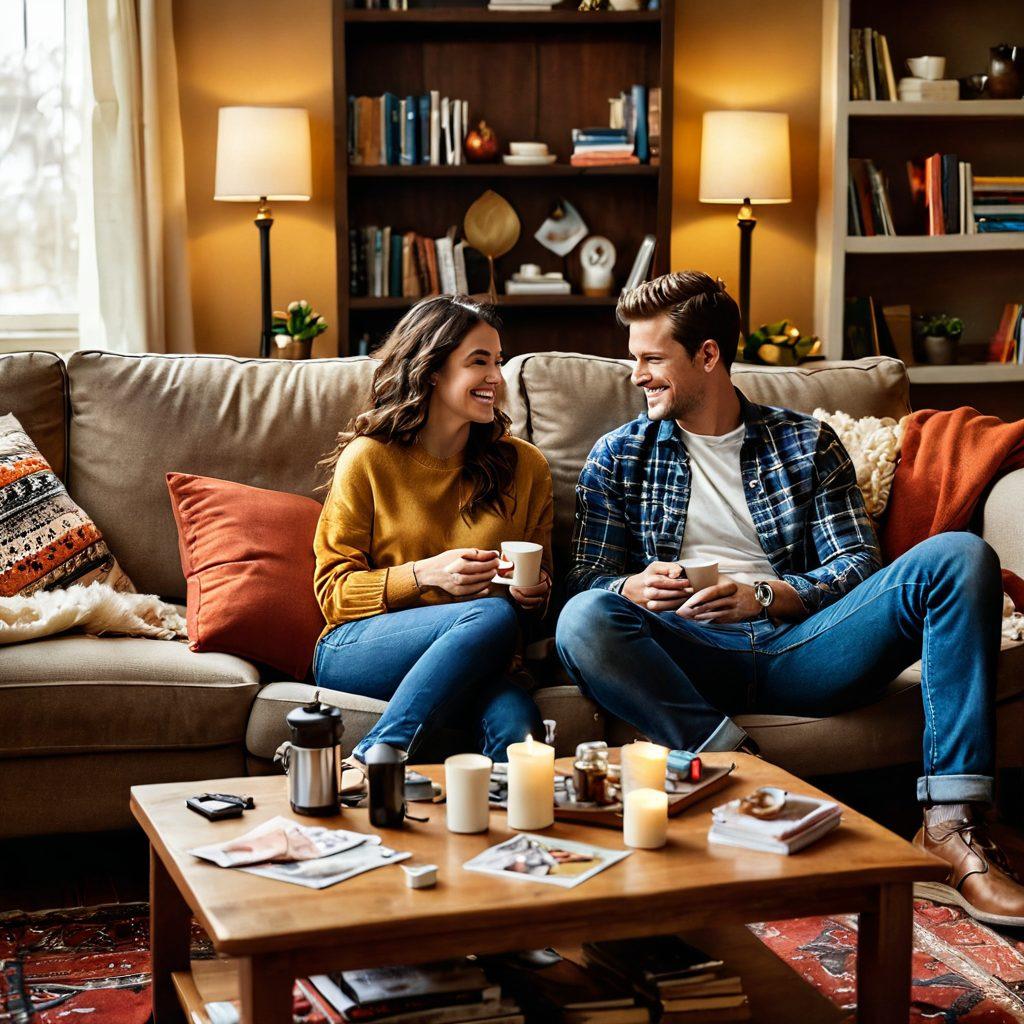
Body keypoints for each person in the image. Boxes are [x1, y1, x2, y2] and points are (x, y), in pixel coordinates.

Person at [555, 270, 1024, 926]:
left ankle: (949, 826)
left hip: (803, 647)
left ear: (708, 356)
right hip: (686, 656)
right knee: (585, 618)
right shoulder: (617, 458)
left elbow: (858, 567)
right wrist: (628, 588)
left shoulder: (806, 442)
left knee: (961, 557)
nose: (637, 375)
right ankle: (743, 777)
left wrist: (766, 594)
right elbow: (582, 587)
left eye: (652, 359)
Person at [313, 295, 553, 764]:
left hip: (484, 654)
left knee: (519, 733)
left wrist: (537, 593)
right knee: (489, 615)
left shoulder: (526, 467)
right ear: (432, 370)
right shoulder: (369, 459)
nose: (496, 378)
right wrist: (424, 575)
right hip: (358, 647)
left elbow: (540, 602)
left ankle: (510, 838)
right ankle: (375, 757)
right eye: (478, 362)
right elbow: (333, 595)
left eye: (498, 362)